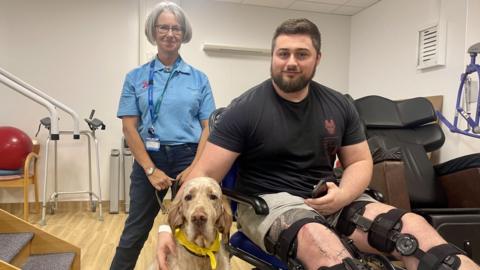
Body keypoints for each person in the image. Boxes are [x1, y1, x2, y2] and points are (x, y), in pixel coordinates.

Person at [156, 18, 480, 270]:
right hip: (269, 206)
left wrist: (345, 194)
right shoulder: (245, 109)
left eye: (302, 54)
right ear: (273, 57)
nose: (291, 62)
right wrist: (167, 230)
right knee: (320, 241)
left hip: (332, 200)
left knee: (411, 229)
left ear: (317, 58)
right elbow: (200, 174)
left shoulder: (339, 105)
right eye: (283, 54)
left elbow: (361, 163)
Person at [111, 2, 215, 269]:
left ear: (183, 33)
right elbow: (129, 127)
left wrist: (195, 168)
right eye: (164, 27)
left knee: (196, 228)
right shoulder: (135, 77)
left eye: (176, 28)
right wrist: (149, 168)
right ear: (153, 32)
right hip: (149, 158)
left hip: (188, 157)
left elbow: (208, 127)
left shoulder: (199, 79)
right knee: (135, 231)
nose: (170, 33)